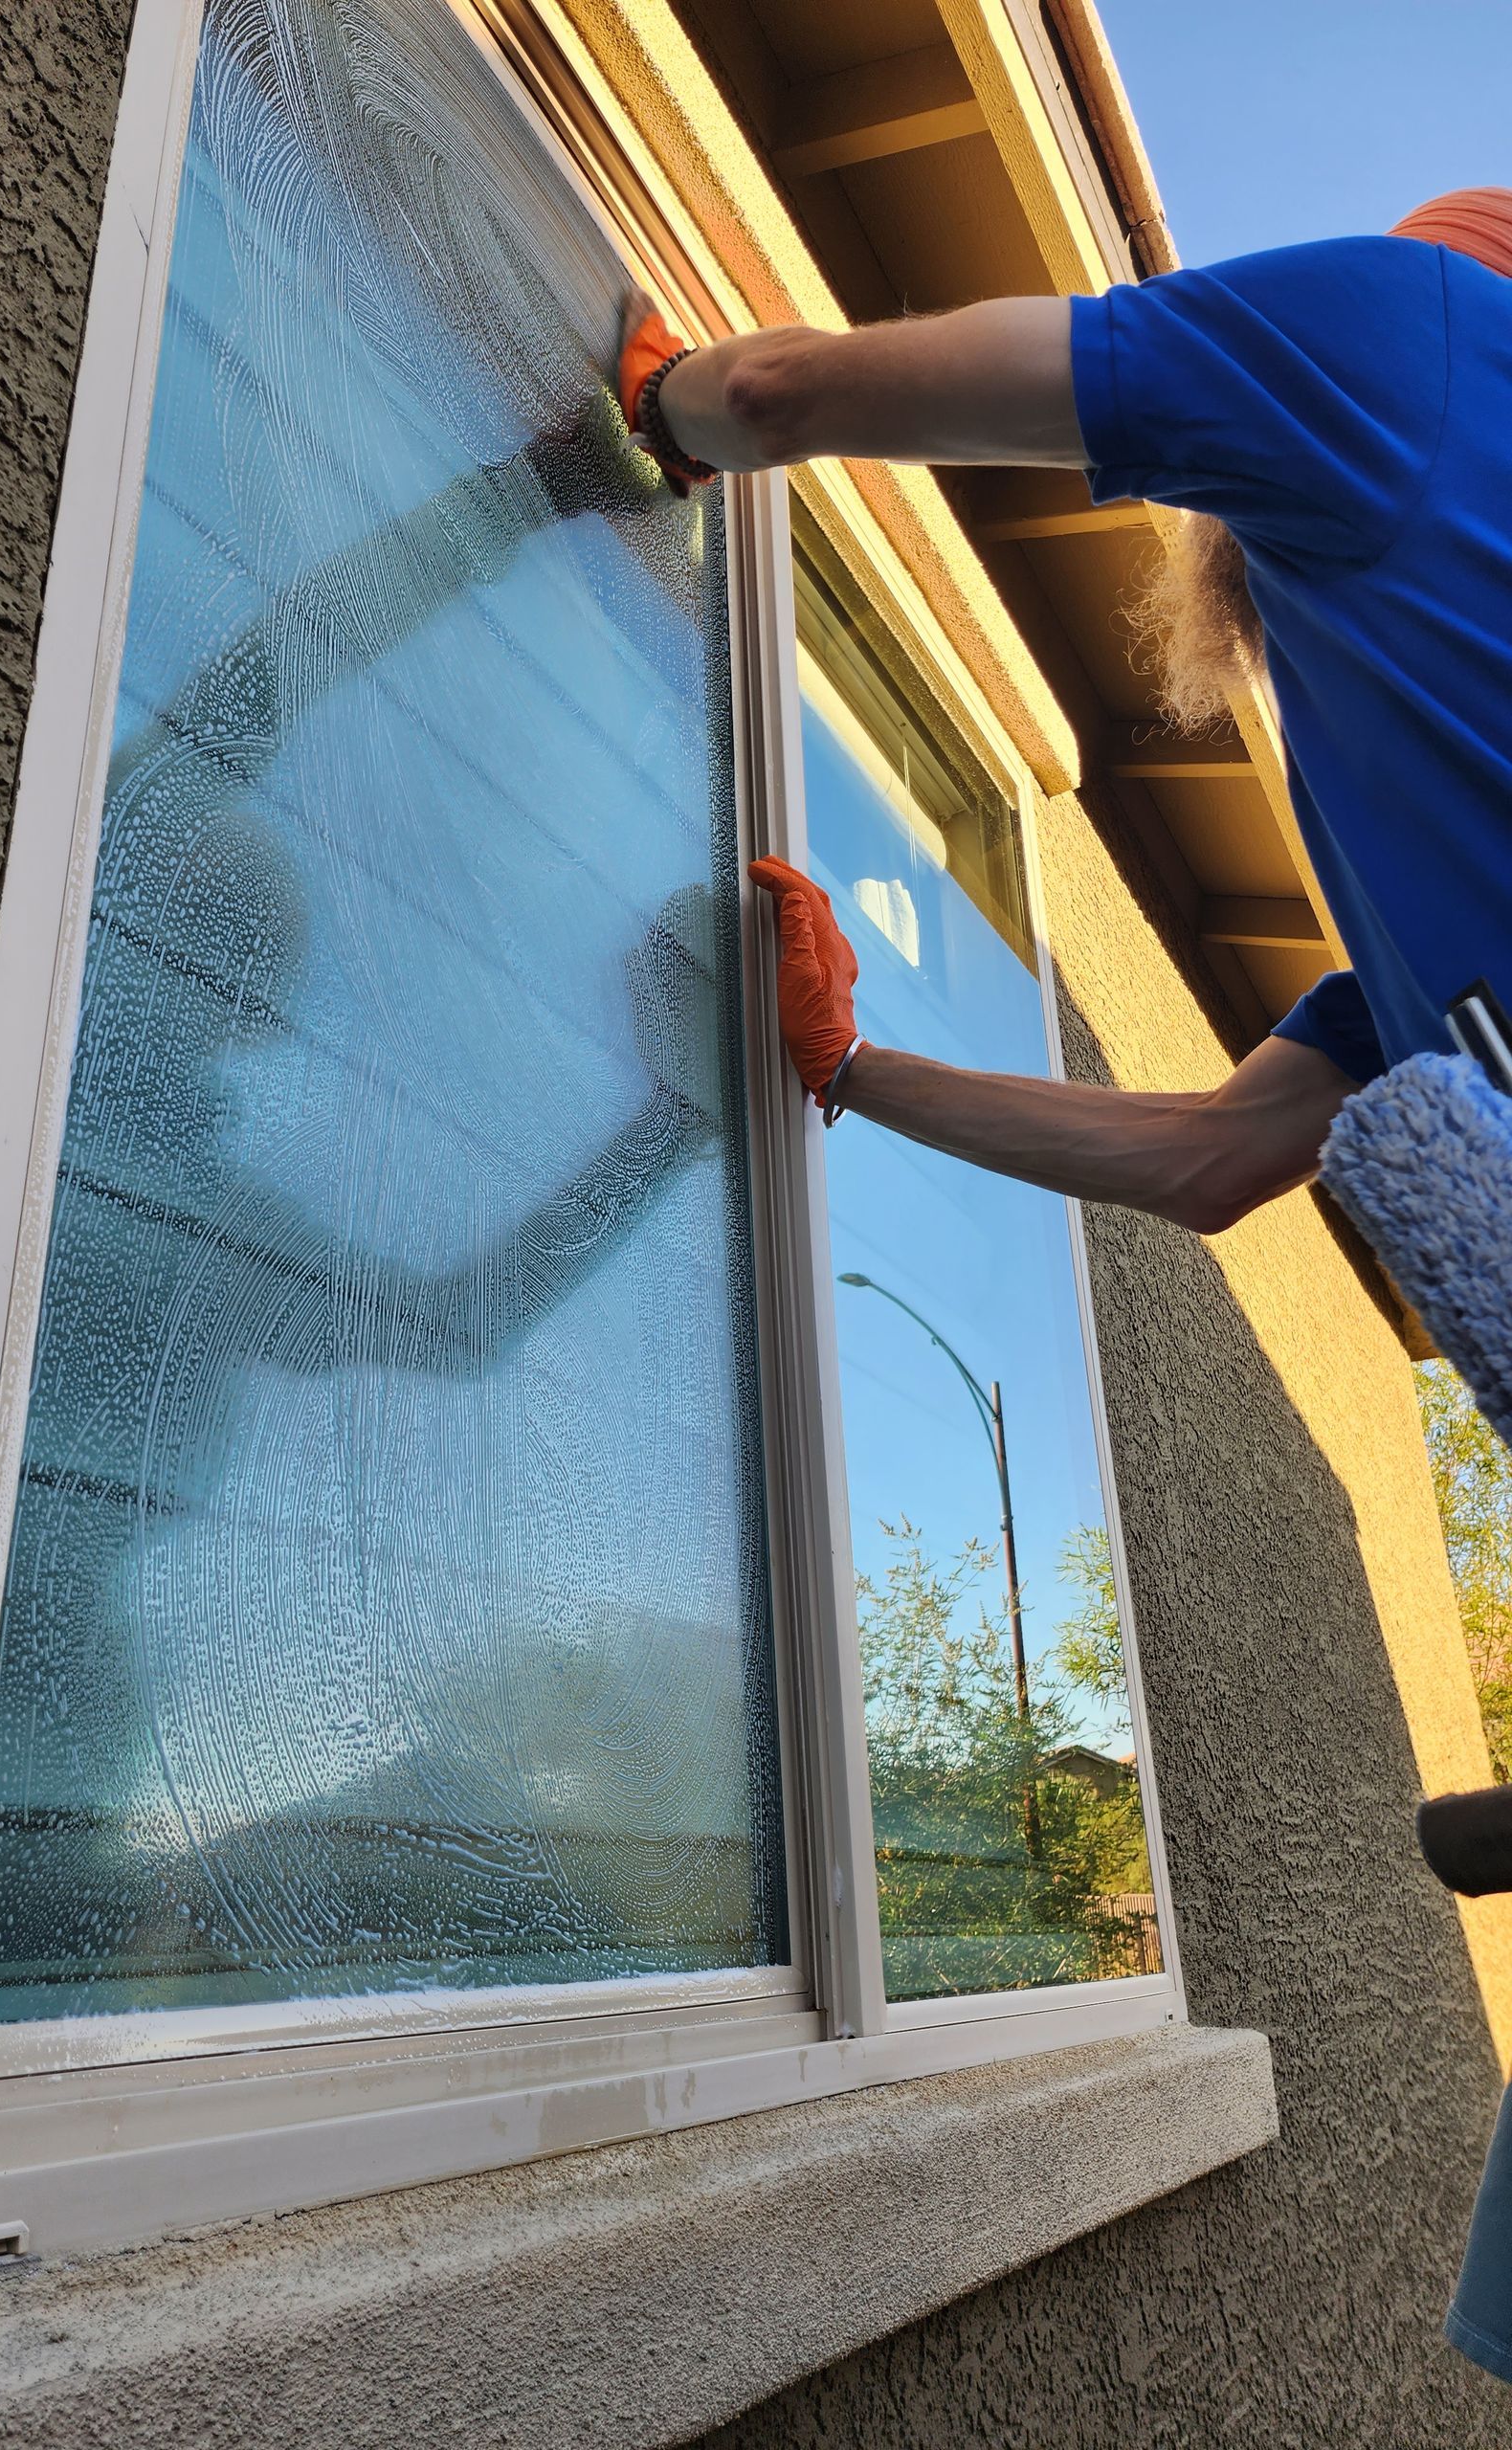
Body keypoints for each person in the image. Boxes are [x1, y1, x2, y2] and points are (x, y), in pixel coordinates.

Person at [621, 187, 1512, 2387]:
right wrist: (850, 1065)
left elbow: (804, 388)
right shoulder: (1420, 930)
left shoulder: (1409, 328)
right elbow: (1212, 1154)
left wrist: (675, 399)